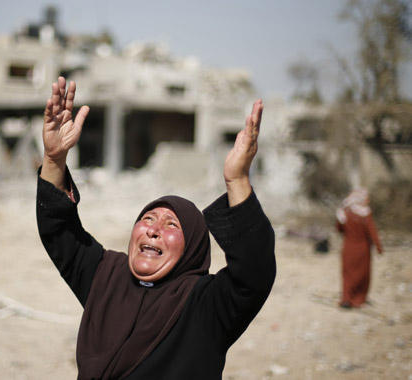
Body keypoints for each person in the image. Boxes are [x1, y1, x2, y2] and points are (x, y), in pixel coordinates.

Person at [36, 77, 276, 379]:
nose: (153, 229)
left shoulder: (204, 305)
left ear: (192, 249)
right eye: (147, 219)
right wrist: (54, 159)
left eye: (171, 224)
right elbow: (59, 229)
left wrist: (237, 180)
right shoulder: (106, 278)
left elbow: (255, 272)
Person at [335, 188, 383, 308]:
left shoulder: (344, 213)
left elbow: (338, 229)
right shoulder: (365, 214)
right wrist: (378, 247)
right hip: (362, 250)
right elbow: (372, 232)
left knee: (348, 274)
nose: (368, 200)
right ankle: (359, 299)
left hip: (348, 248)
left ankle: (346, 299)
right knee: (363, 275)